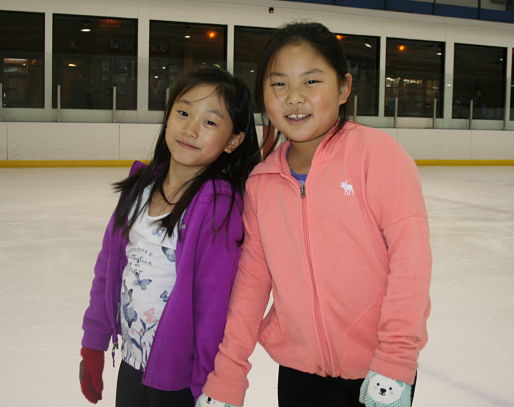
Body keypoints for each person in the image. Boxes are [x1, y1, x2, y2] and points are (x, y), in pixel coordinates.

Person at [196, 23, 432, 407]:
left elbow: (411, 265)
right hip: (298, 372)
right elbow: (252, 285)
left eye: (311, 82)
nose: (293, 99)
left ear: (343, 88)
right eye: (279, 85)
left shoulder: (377, 156)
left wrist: (395, 359)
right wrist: (228, 374)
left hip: (376, 370)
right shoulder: (262, 183)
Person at [79, 65, 261, 407]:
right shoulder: (139, 187)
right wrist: (94, 340)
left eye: (210, 122)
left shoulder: (218, 205)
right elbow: (109, 267)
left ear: (233, 140)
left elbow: (214, 304)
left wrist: (210, 383)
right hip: (132, 361)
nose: (191, 129)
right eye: (183, 112)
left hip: (180, 375)